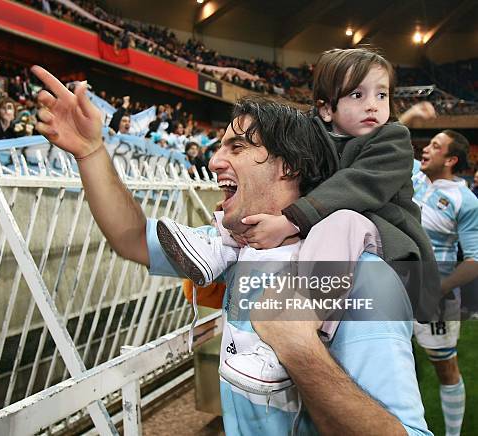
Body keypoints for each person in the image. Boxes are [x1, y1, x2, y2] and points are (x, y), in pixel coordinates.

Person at [30, 65, 431, 435]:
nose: (215, 159)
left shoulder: (364, 278)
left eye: (236, 148)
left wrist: (299, 348)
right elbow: (131, 237)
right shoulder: (238, 248)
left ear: (288, 165)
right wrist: (91, 152)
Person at [154, 47, 440, 393]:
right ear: (324, 107)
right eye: (357, 94)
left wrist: (290, 222)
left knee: (342, 222)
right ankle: (219, 250)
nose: (372, 104)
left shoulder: (392, 138)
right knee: (254, 209)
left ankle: (298, 335)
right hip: (336, 226)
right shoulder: (320, 132)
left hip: (384, 233)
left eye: (382, 95)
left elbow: (357, 185)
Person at [412, 130, 478, 436]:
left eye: (435, 146)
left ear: (450, 160)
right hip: (393, 287)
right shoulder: (415, 176)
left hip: (435, 296)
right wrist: (411, 117)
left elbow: (474, 261)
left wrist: (437, 290)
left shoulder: (464, 199)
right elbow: (384, 137)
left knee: (445, 367)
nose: (426, 149)